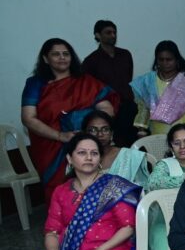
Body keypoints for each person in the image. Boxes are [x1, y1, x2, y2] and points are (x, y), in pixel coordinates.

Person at [21, 38, 118, 201]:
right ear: (45, 59)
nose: (62, 58)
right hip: (51, 145)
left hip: (87, 142)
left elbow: (106, 108)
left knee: (92, 186)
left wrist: (91, 129)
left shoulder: (86, 81)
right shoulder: (36, 84)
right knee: (59, 190)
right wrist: (60, 136)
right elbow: (28, 118)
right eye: (56, 54)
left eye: (66, 54)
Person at [132, 40, 185, 138]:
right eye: (161, 59)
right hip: (158, 134)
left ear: (177, 60)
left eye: (169, 59)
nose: (165, 63)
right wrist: (141, 130)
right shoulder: (146, 82)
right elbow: (144, 108)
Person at [81, 20, 136, 147]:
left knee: (132, 143)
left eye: (114, 32)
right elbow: (88, 88)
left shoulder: (125, 55)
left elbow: (128, 78)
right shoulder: (91, 61)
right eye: (108, 32)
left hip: (129, 107)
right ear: (98, 35)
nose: (112, 35)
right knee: (114, 144)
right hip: (108, 111)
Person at [82, 110, 149, 186]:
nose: (100, 134)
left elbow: (143, 188)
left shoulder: (130, 157)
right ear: (84, 134)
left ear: (112, 133)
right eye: (93, 130)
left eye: (105, 129)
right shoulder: (78, 158)